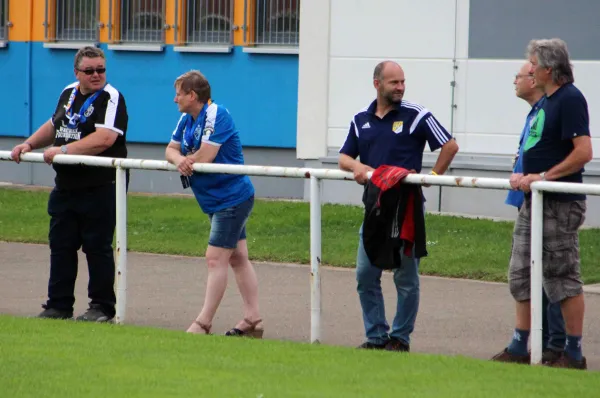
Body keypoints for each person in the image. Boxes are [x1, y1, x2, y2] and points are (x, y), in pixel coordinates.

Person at [338, 61, 459, 352]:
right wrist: (360, 167)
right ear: (377, 83)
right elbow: (344, 158)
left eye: (403, 82)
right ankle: (376, 337)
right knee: (365, 275)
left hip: (406, 209)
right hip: (374, 209)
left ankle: (400, 338)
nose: (401, 87)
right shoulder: (360, 119)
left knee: (405, 278)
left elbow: (450, 145)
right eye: (394, 82)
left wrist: (432, 176)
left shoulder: (416, 114)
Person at [492, 39, 593, 370]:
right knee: (520, 275)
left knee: (562, 278)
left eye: (533, 64)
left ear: (549, 69)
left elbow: (583, 153)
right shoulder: (546, 102)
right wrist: (525, 177)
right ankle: (520, 346)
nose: (528, 70)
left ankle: (573, 354)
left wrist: (545, 176)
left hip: (559, 203)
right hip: (533, 201)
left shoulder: (570, 99)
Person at [9, 46, 128, 322]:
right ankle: (58, 305)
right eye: (90, 71)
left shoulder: (111, 98)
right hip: (66, 184)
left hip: (101, 185)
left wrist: (64, 151)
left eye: (101, 69)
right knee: (61, 245)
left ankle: (101, 306)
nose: (97, 75)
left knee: (97, 247)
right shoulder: (68, 93)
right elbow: (54, 125)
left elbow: (105, 138)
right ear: (77, 73)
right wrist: (28, 144)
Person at [165, 70, 262, 338]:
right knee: (239, 258)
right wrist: (180, 161)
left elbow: (206, 157)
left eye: (179, 94)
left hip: (232, 198)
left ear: (192, 96)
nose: (175, 100)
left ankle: (203, 323)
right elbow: (170, 150)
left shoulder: (217, 114)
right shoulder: (186, 119)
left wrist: (188, 160)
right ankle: (253, 319)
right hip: (216, 199)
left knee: (214, 259)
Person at [504, 61, 566, 365]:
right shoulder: (534, 112)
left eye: (518, 76)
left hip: (545, 202)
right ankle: (532, 342)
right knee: (527, 275)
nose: (514, 81)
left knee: (550, 275)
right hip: (527, 200)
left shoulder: (549, 110)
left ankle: (555, 344)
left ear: (534, 79)